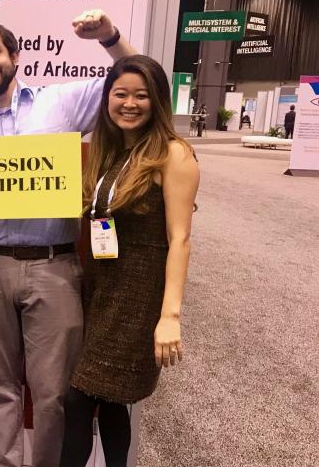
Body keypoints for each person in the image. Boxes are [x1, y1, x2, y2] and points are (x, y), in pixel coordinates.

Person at [0, 11, 137, 467]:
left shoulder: (59, 103)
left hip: (53, 266)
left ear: (15, 57)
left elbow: (136, 80)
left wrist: (110, 38)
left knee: (53, 395)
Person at [60, 55, 199, 467]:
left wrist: (170, 316)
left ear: (158, 100)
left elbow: (180, 239)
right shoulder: (112, 150)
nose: (130, 103)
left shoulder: (174, 154)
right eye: (120, 94)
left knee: (79, 398)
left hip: (136, 297)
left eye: (141, 95)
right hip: (99, 289)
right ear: (107, 98)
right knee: (112, 400)